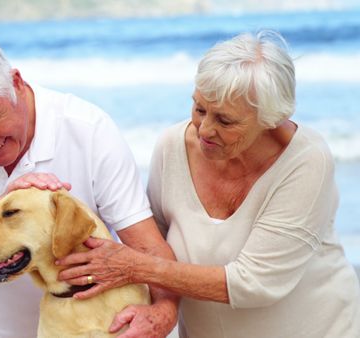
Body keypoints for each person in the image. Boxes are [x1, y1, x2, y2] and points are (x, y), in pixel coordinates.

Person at [56, 30, 360, 337]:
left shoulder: (307, 161)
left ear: (271, 119)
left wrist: (136, 267)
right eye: (200, 109)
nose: (204, 129)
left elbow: (256, 283)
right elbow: (154, 243)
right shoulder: (172, 146)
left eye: (225, 121)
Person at [0, 34, 178, 338]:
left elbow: (146, 246)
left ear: (16, 82)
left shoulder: (88, 129)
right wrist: (4, 203)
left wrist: (164, 313)